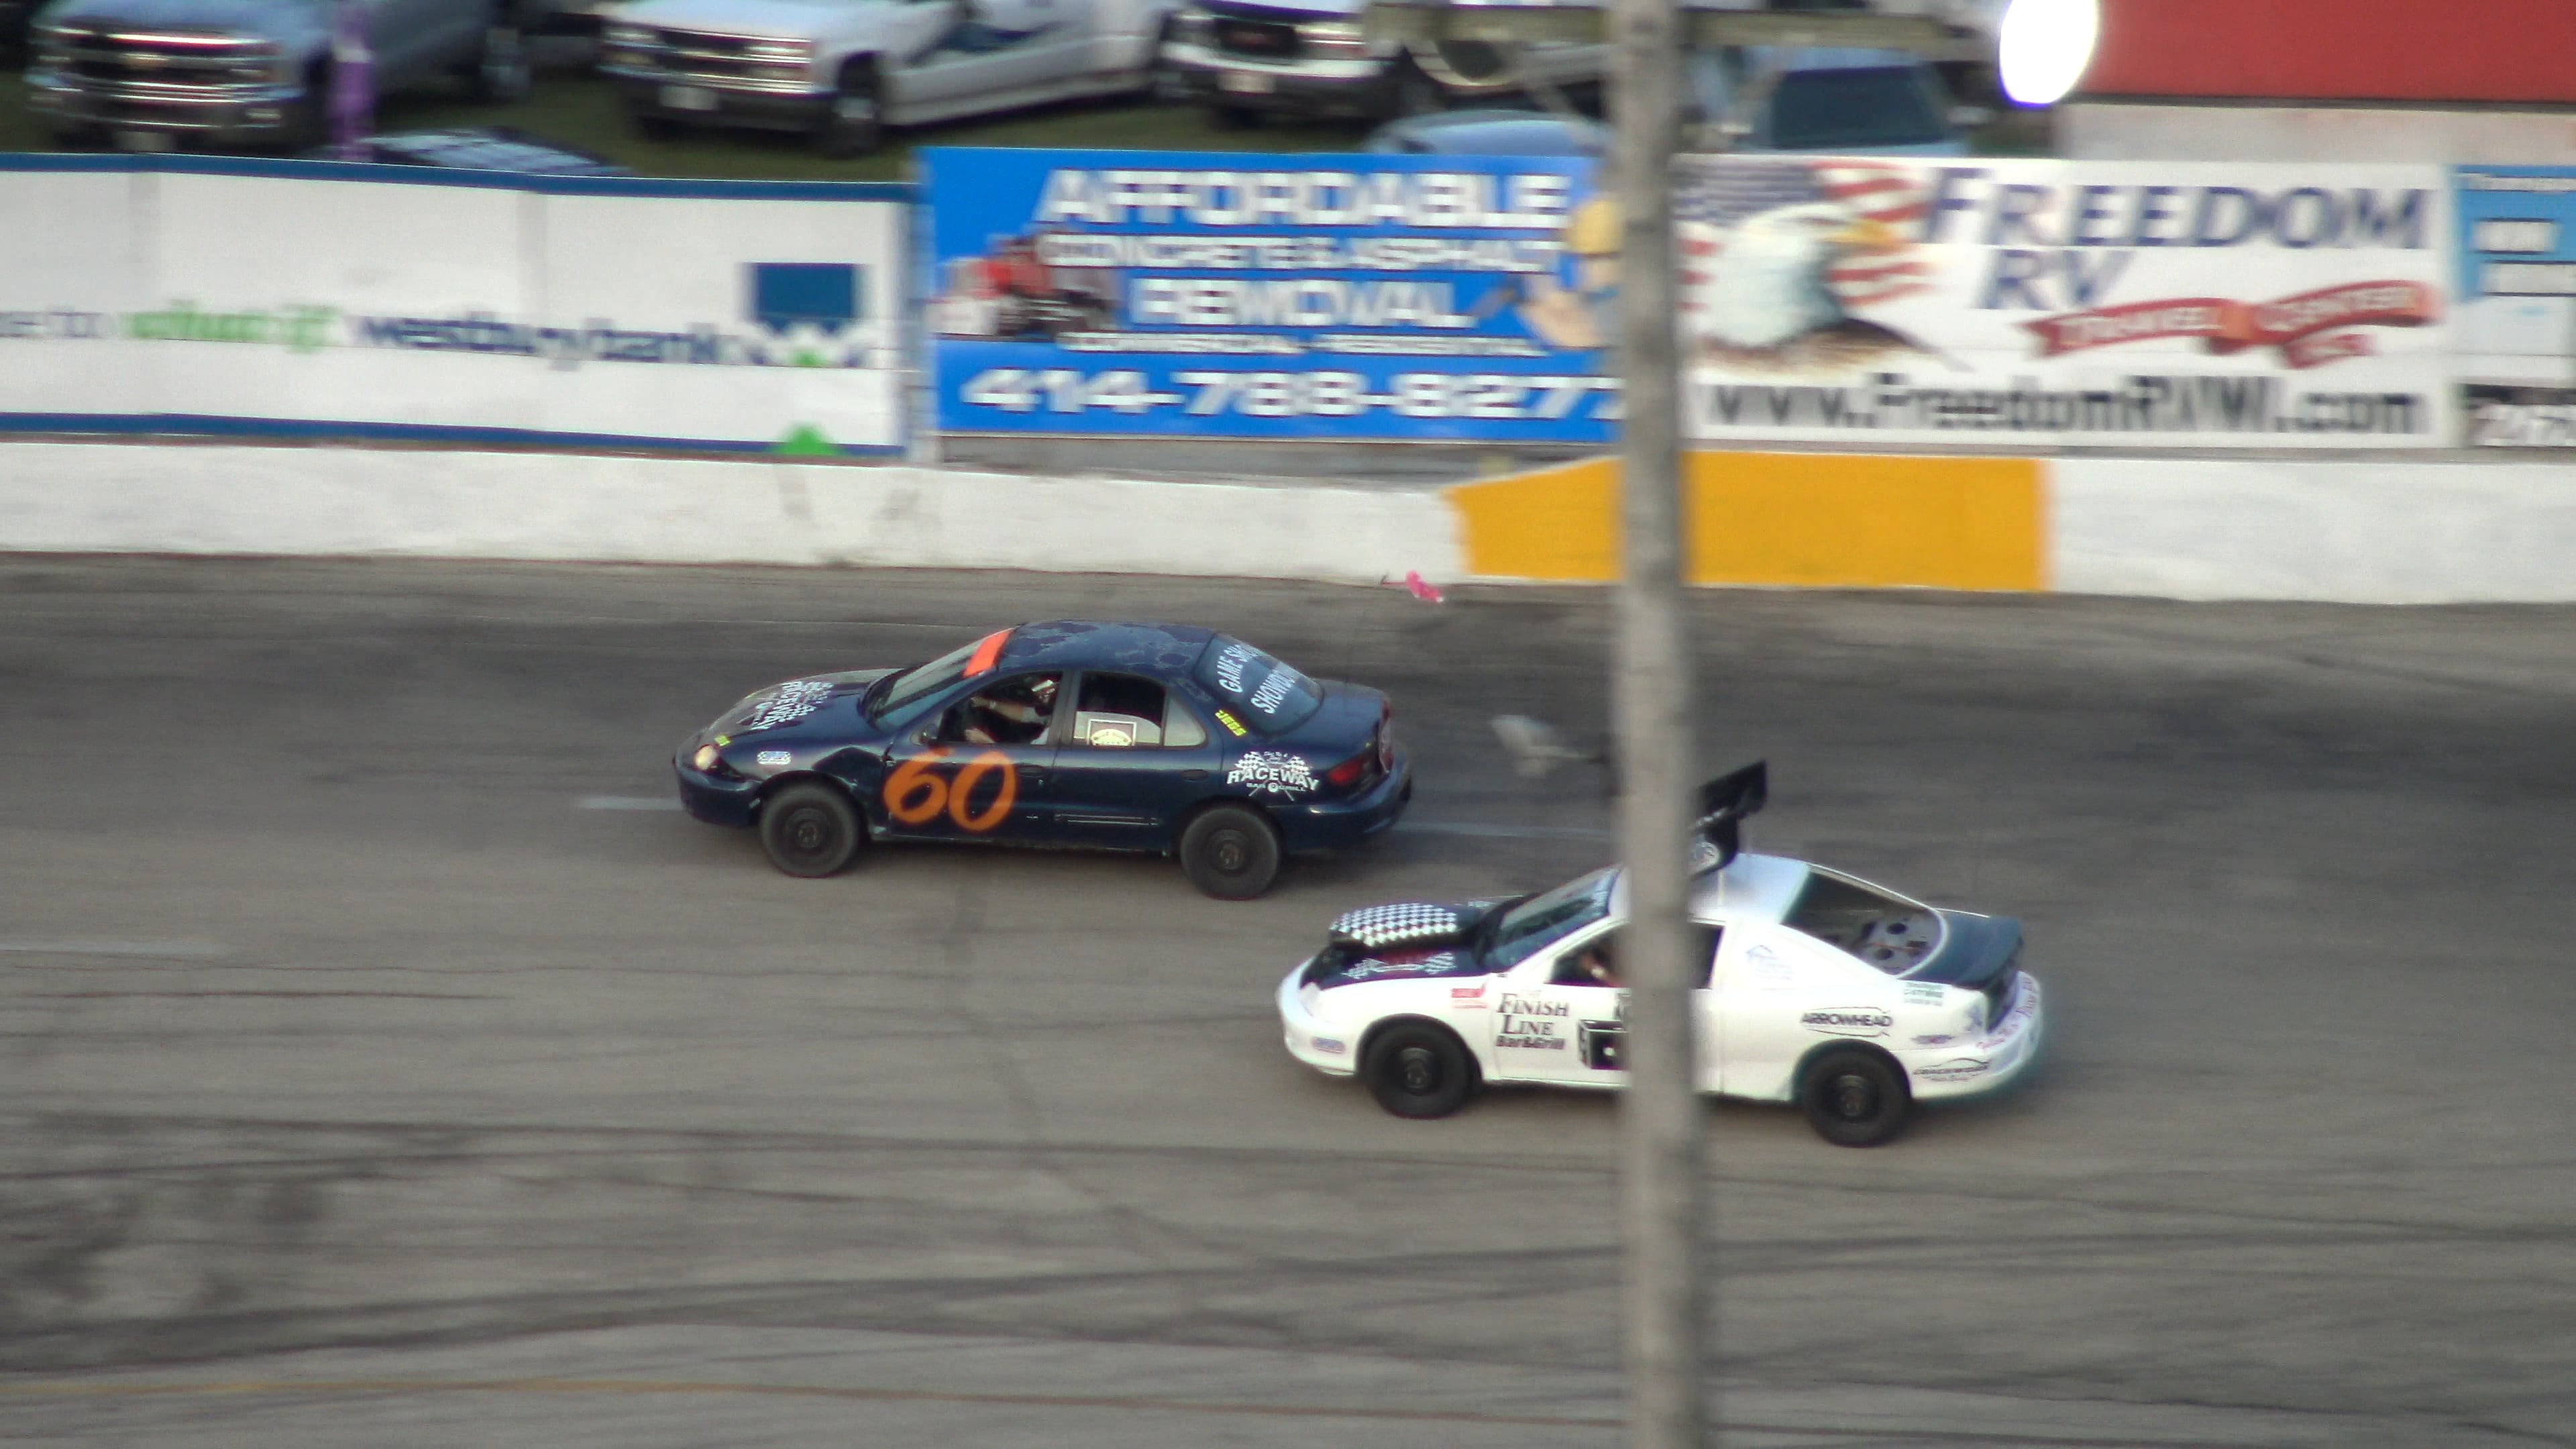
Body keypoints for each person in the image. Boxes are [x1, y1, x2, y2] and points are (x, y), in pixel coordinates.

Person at [962, 676, 1055, 745]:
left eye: (1048, 692)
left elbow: (1026, 760)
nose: (1040, 695)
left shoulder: (1053, 733)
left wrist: (985, 741)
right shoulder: (1061, 712)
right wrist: (988, 703)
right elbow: (1025, 714)